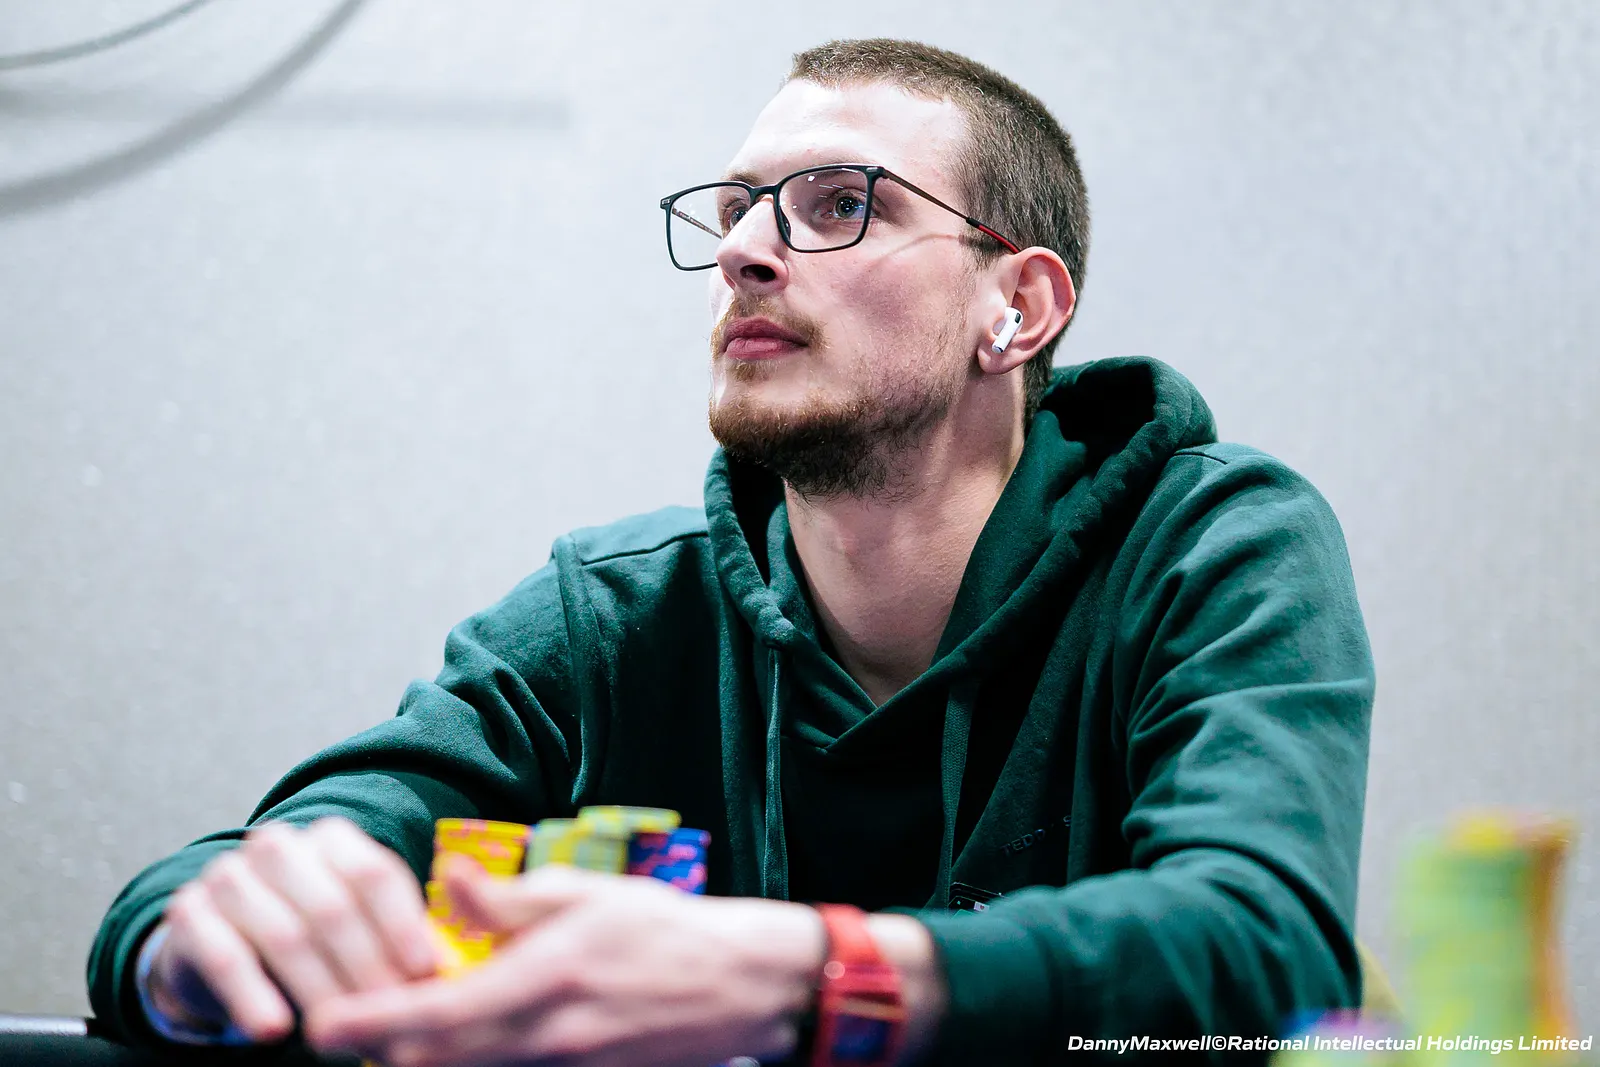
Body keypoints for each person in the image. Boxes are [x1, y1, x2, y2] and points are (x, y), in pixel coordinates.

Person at [87, 37, 1374, 1067]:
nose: (744, 251)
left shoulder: (1213, 543)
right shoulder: (612, 612)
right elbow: (227, 877)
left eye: (839, 205)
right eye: (734, 212)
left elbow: (1263, 948)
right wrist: (195, 942)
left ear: (1017, 306)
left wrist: (808, 977)